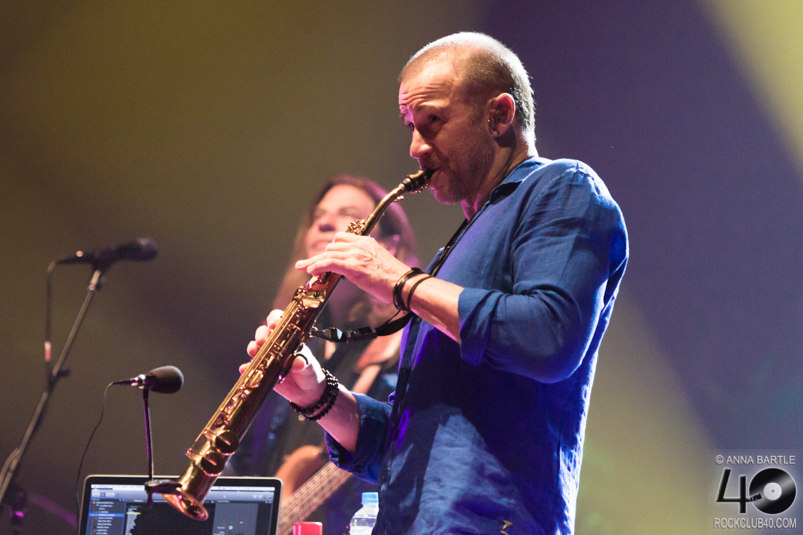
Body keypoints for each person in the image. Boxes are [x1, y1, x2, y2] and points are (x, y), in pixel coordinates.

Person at [246, 32, 628, 534]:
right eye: (410, 126)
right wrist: (318, 395)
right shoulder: (457, 249)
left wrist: (398, 279)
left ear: (499, 115)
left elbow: (548, 337)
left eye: (433, 122)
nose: (416, 147)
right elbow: (402, 448)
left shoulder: (562, 187)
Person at [230, 174, 419, 534]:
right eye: (319, 216)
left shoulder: (404, 344)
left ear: (387, 246)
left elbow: (408, 457)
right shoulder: (291, 339)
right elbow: (244, 457)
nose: (325, 223)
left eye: (348, 215)